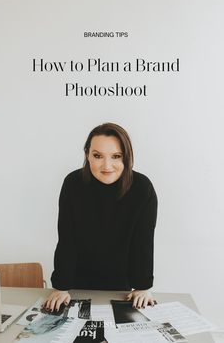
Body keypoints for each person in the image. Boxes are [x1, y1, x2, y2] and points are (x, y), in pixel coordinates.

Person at [44, 123, 158, 312]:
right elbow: (66, 239)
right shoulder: (73, 184)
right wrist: (61, 287)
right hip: (75, 286)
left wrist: (142, 287)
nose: (106, 166)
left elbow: (143, 242)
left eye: (116, 156)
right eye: (98, 156)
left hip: (120, 288)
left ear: (127, 157)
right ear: (87, 154)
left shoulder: (141, 188)